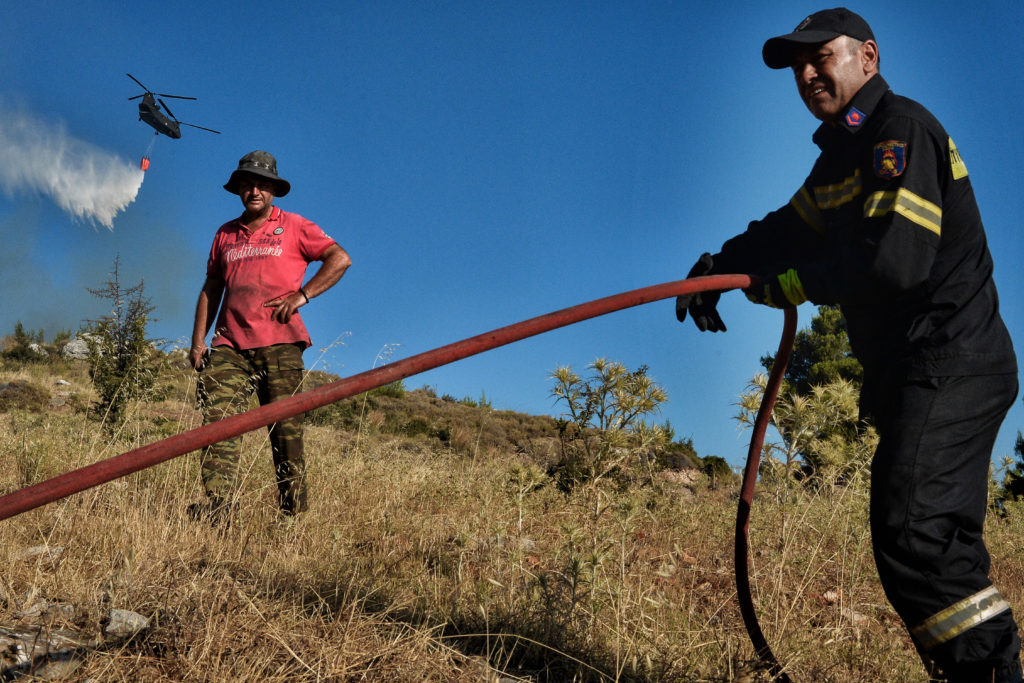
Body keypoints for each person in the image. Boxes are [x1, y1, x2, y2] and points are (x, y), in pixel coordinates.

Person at [676, 8, 1021, 681]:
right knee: (920, 540)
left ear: (868, 55)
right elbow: (786, 230)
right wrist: (720, 264)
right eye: (796, 66)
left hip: (951, 360)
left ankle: (991, 674)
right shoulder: (840, 158)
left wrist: (788, 286)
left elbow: (896, 261)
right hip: (915, 371)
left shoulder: (901, 132)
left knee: (917, 532)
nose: (807, 74)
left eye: (821, 57)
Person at [189, 150, 351, 521]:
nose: (255, 191)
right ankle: (218, 509)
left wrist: (302, 296)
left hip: (280, 345)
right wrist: (199, 341)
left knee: (285, 433)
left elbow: (339, 258)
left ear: (274, 190)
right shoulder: (225, 234)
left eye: (262, 184)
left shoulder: (294, 225)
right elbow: (211, 287)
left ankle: (293, 517)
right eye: (247, 185)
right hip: (229, 346)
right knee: (218, 424)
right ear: (239, 191)